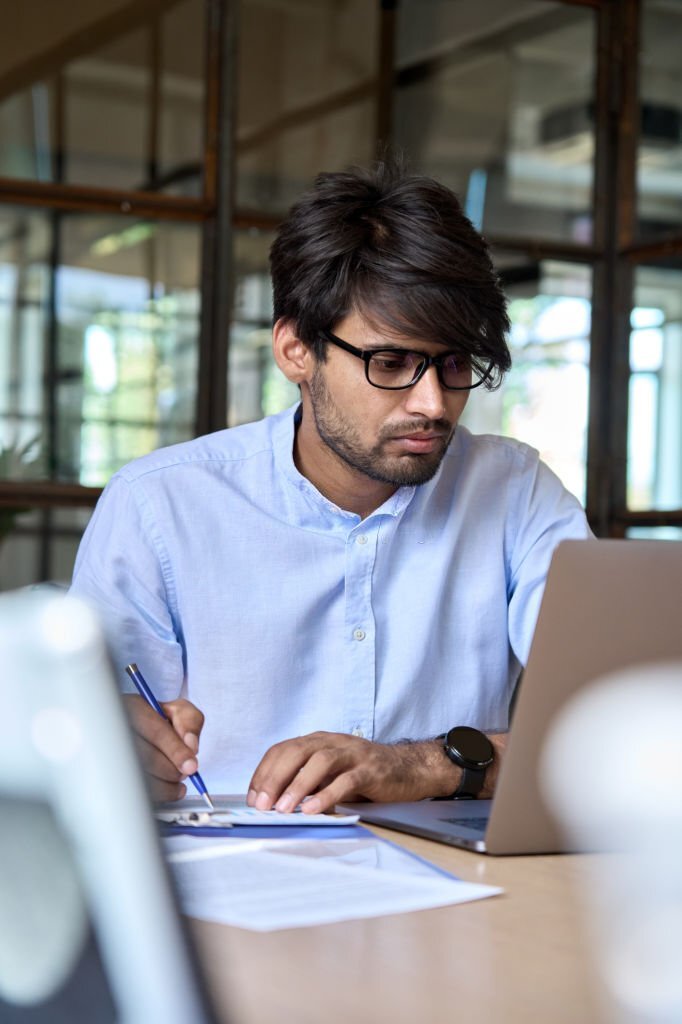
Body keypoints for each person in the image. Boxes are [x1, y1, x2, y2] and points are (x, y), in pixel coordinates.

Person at [70, 161, 592, 814]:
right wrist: (107, 756)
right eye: (392, 362)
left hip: (457, 894)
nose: (433, 403)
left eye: (455, 364)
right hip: (233, 882)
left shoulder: (516, 493)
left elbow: (619, 737)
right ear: (295, 350)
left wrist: (422, 764)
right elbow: (87, 752)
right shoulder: (159, 508)